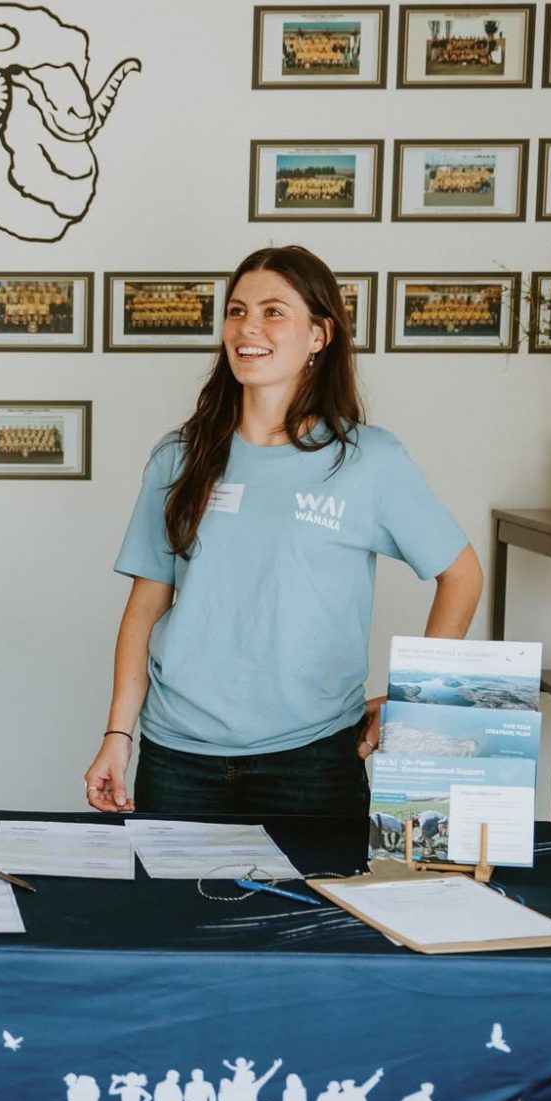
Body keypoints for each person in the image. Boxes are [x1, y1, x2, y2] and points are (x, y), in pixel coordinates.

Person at [85, 245, 483, 815]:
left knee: (318, 909)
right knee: (175, 908)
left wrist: (410, 705)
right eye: (237, 310)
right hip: (178, 759)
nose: (248, 327)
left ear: (319, 335)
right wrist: (117, 738)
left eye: (273, 311)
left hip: (312, 761)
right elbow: (145, 606)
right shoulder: (180, 457)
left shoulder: (369, 461)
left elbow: (462, 575)